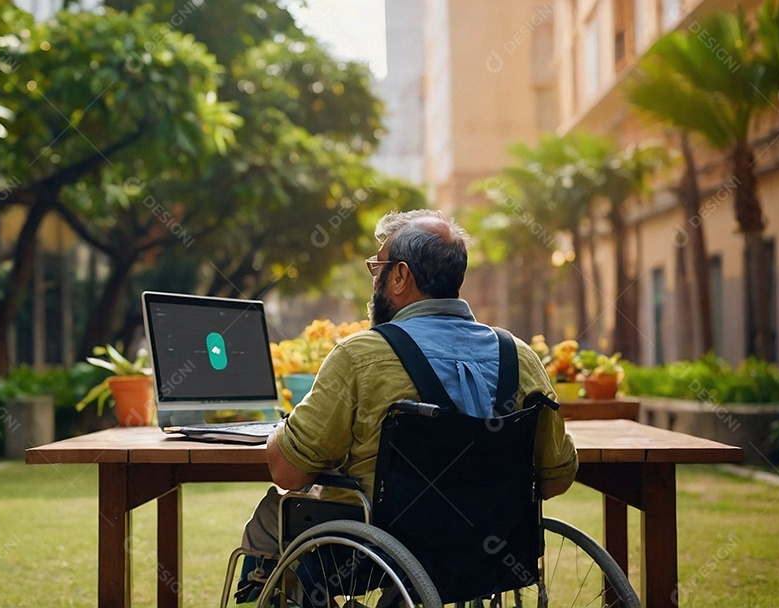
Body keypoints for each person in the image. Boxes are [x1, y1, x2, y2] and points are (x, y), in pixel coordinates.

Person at [234, 209, 577, 602]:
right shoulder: (520, 357)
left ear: (399, 276)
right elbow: (555, 479)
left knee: (270, 516)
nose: (374, 281)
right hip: (489, 551)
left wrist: (284, 428)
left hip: (373, 553)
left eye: (377, 268)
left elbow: (289, 473)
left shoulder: (360, 357)